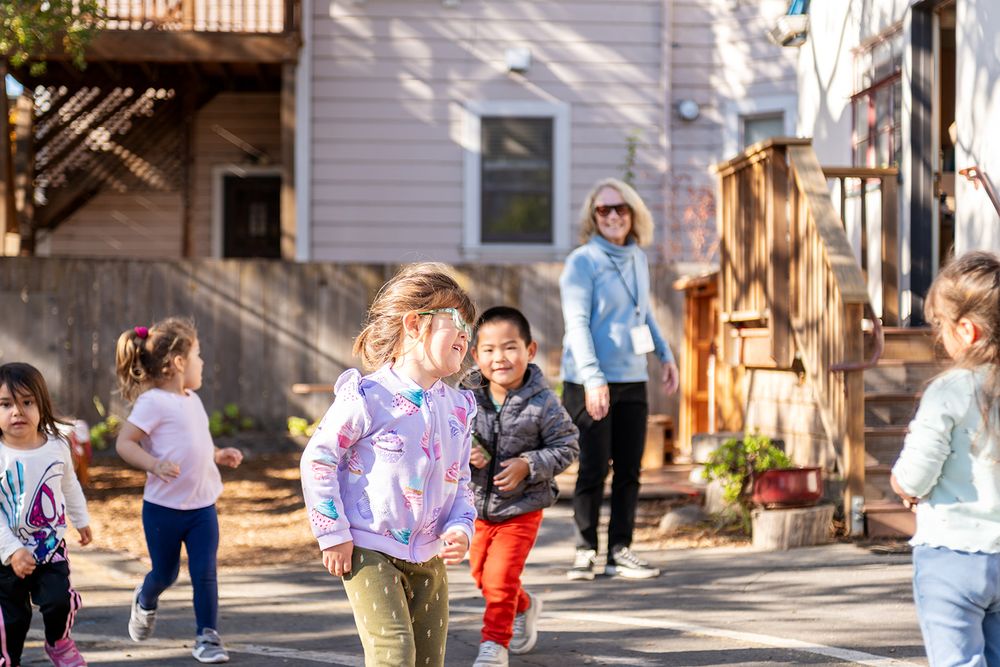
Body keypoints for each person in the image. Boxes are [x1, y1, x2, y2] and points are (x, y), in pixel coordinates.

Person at [299, 262, 478, 667]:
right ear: (415, 324)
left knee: (429, 660)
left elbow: (462, 480)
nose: (465, 336)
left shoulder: (459, 408)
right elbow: (319, 459)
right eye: (456, 321)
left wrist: (460, 527)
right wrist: (333, 531)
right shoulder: (368, 396)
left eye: (470, 328)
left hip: (429, 556)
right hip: (368, 548)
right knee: (394, 654)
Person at [559, 177, 679, 581]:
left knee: (630, 469)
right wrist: (594, 378)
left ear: (633, 213)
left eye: (619, 208)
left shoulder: (637, 258)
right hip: (588, 379)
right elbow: (576, 323)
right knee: (594, 467)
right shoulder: (583, 261)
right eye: (603, 210)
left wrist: (666, 355)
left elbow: (641, 313)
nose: (612, 216)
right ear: (593, 217)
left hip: (632, 378)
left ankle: (620, 551)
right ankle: (584, 549)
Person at [891, 250, 1000, 666]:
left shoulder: (949, 390)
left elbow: (916, 473)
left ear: (967, 331)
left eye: (940, 325)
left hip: (952, 554)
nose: (938, 335)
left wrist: (904, 487)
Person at [114, 317, 243, 664]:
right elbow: (125, 442)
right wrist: (152, 465)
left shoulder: (192, 399)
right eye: (198, 355)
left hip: (202, 508)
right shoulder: (153, 402)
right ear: (179, 363)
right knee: (165, 573)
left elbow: (194, 443)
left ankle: (207, 636)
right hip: (163, 510)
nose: (202, 363)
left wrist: (218, 454)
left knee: (205, 571)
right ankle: (145, 598)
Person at [465, 306, 579, 667]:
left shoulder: (544, 402)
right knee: (482, 577)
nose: (500, 357)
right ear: (475, 354)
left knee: (499, 580)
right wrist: (465, 449)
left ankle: (495, 645)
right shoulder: (465, 396)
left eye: (510, 347)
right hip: (476, 506)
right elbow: (444, 433)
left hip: (522, 508)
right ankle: (525, 605)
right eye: (489, 349)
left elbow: (568, 446)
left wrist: (529, 464)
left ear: (530, 350)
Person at [0, 362, 92, 667]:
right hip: (5, 554)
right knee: (11, 619)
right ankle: (7, 658)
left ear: (42, 404)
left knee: (59, 601)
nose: (17, 411)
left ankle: (59, 643)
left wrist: (81, 520)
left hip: (49, 547)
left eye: (27, 402)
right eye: (5, 404)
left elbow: (70, 484)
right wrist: (12, 551)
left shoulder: (56, 446)